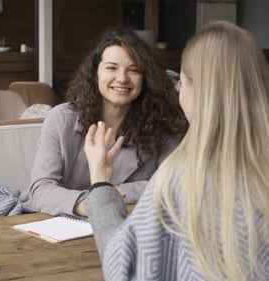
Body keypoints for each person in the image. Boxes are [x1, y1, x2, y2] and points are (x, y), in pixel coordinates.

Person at [85, 21, 269, 280]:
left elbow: (123, 269)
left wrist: (101, 184)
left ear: (196, 91)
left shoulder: (180, 178)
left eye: (182, 84)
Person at [23, 28, 187, 216]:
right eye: (111, 67)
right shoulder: (61, 119)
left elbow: (175, 186)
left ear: (145, 78)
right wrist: (95, 205)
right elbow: (41, 190)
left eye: (134, 70)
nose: (122, 78)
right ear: (95, 73)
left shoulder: (162, 124)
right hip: (63, 224)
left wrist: (114, 194)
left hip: (128, 227)